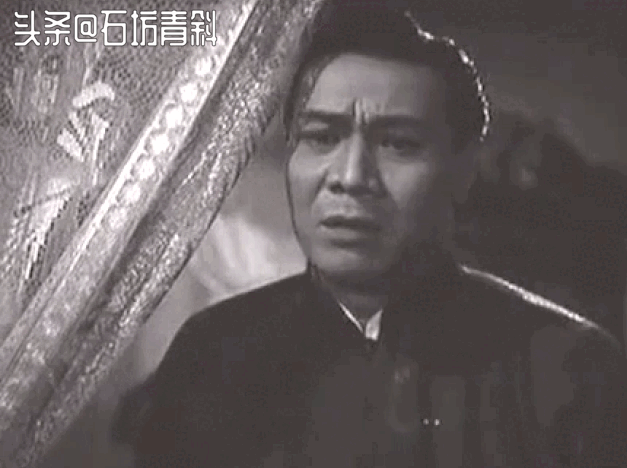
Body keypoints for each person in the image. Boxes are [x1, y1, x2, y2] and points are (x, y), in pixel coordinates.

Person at [122, 3, 627, 467]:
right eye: (322, 137)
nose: (351, 177)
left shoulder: (568, 367)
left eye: (398, 144)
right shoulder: (212, 354)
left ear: (463, 172)